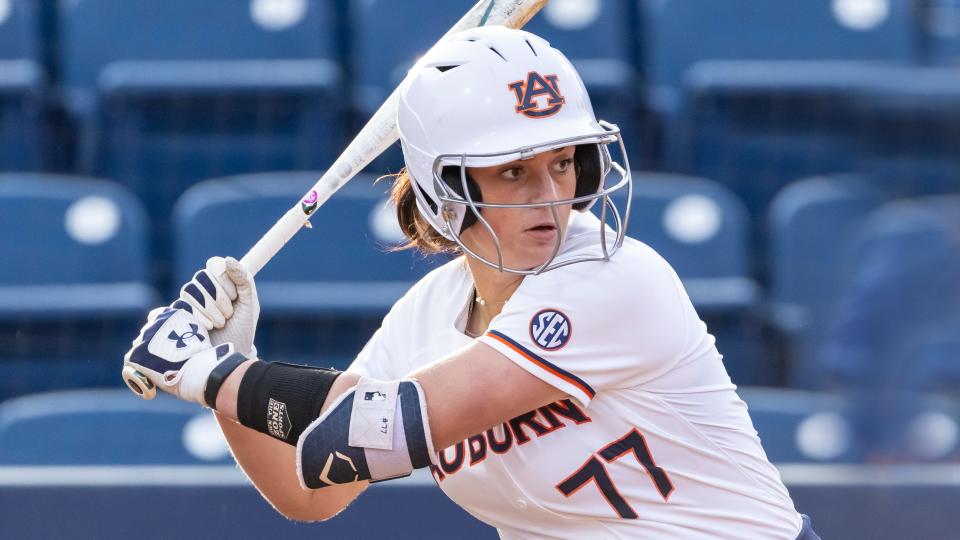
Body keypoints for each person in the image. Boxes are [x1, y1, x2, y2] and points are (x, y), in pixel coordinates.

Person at [124, 26, 819, 539]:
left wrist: (206, 372)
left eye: (564, 162)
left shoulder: (616, 277)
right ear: (446, 189)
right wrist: (234, 373)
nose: (551, 195)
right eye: (513, 170)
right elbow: (313, 490)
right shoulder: (427, 316)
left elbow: (387, 426)